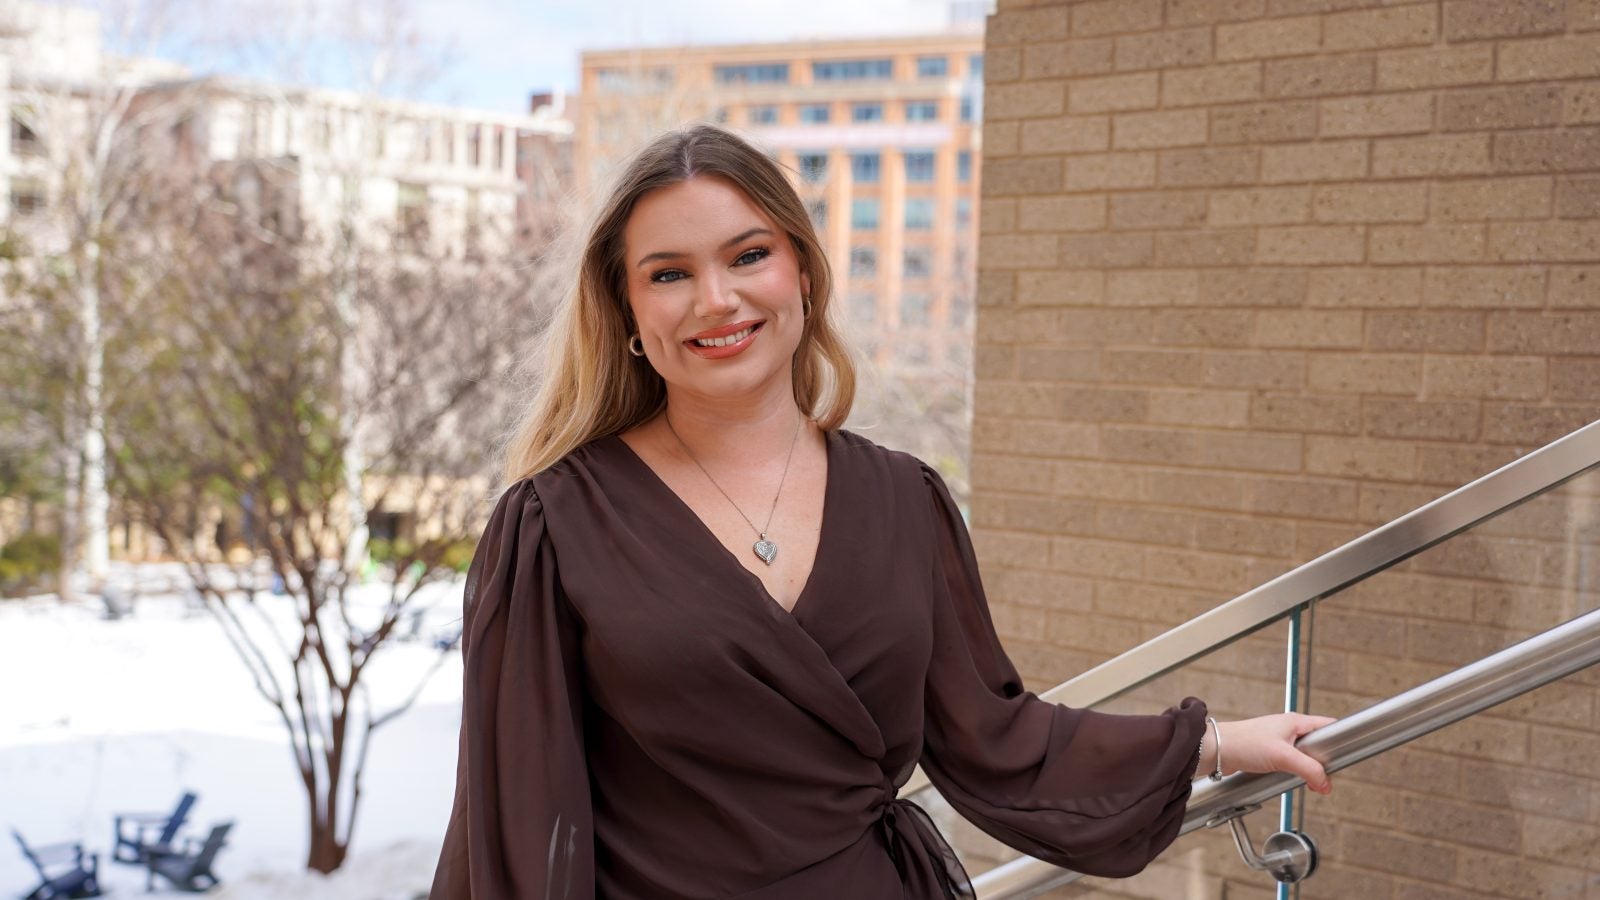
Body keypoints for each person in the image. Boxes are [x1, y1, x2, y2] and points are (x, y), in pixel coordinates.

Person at [429, 123, 1334, 900]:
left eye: (749, 256)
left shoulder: (905, 499)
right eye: (670, 274)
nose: (717, 300)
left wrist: (1216, 744)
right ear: (627, 310)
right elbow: (514, 820)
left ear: (804, 275)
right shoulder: (553, 525)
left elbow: (996, 739)